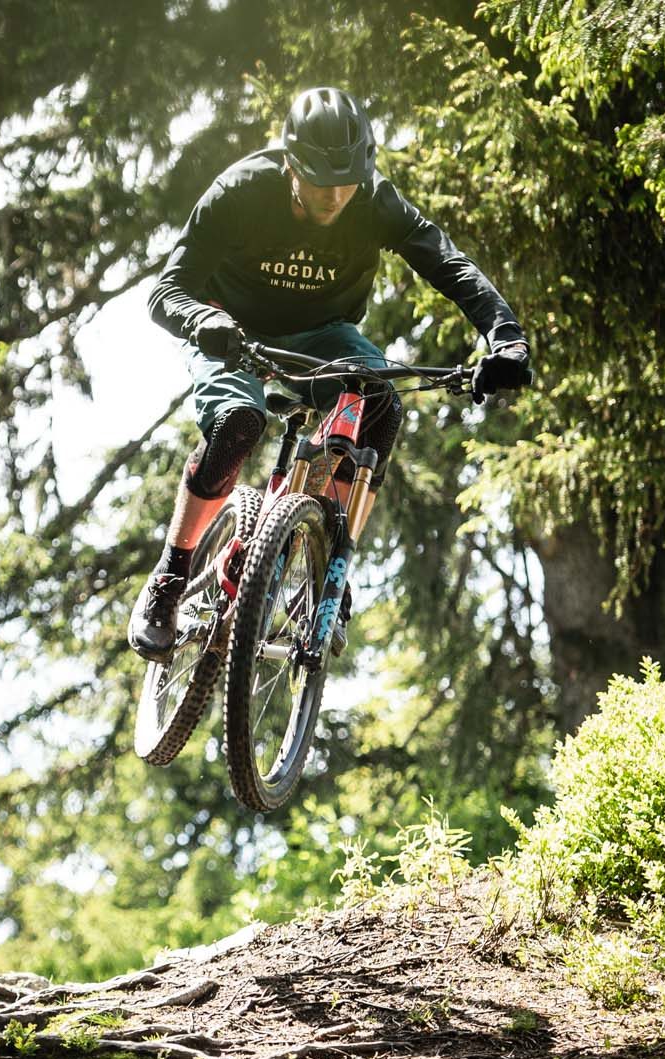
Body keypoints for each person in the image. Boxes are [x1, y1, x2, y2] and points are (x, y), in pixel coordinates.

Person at [128, 87, 531, 662]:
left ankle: (327, 563)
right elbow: (167, 291)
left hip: (324, 335)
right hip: (231, 331)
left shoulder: (374, 202)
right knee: (239, 423)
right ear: (291, 165)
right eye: (320, 182)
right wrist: (203, 320)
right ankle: (170, 577)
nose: (335, 197)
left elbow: (449, 264)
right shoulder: (241, 192)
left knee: (381, 404)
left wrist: (505, 337)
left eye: (347, 182)